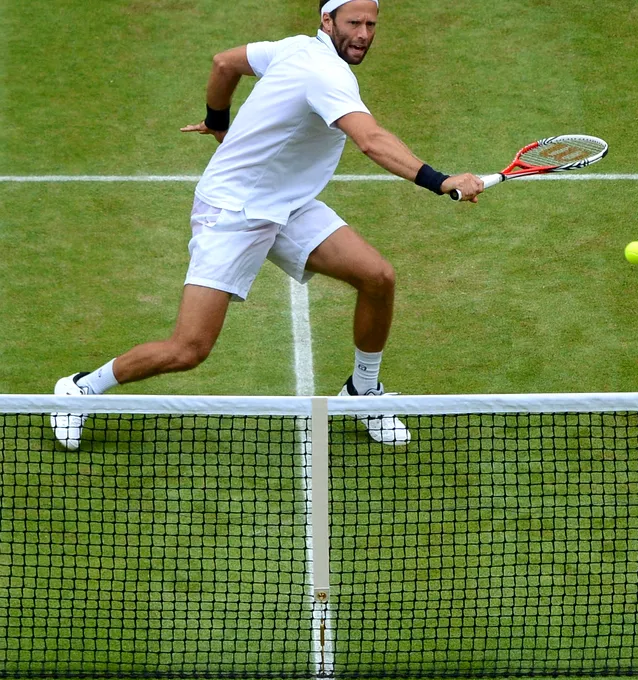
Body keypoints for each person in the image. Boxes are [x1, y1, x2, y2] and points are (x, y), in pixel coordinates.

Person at [51, 0, 483, 450]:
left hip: (287, 204)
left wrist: (218, 120)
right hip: (233, 213)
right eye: (353, 23)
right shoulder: (327, 75)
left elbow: (225, 64)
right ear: (327, 20)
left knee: (377, 277)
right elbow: (371, 140)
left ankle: (362, 392)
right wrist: (441, 181)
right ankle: (80, 388)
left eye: (371, 23)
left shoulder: (291, 48)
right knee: (189, 349)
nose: (363, 34)